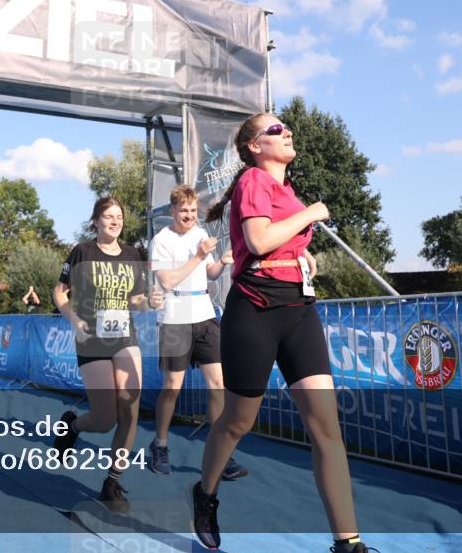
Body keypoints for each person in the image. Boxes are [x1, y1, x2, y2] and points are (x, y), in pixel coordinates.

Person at [190, 114, 377, 553]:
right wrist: (311, 214)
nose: (286, 131)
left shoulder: (285, 190)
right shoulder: (253, 180)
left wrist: (302, 255)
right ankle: (205, 493)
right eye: (275, 130)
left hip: (298, 310)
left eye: (286, 127)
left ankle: (348, 543)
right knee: (238, 421)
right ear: (255, 146)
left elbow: (275, 239)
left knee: (326, 427)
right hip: (255, 309)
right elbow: (257, 241)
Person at [51, 197, 162, 512]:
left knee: (130, 408)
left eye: (119, 217)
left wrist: (150, 302)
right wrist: (75, 321)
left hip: (124, 336)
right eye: (109, 216)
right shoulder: (82, 252)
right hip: (92, 339)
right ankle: (72, 426)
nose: (115, 222)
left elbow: (136, 300)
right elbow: (60, 292)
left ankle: (112, 482)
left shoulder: (132, 254)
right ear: (96, 221)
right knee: (104, 420)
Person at [147, 184, 247, 480]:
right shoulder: (161, 241)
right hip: (174, 318)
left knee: (218, 385)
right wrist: (198, 256)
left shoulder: (201, 234)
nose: (189, 215)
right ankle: (160, 444)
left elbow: (210, 274)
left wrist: (222, 263)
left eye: (193, 210)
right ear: (172, 211)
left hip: (204, 314)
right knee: (172, 388)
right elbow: (167, 281)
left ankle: (220, 452)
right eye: (184, 211)